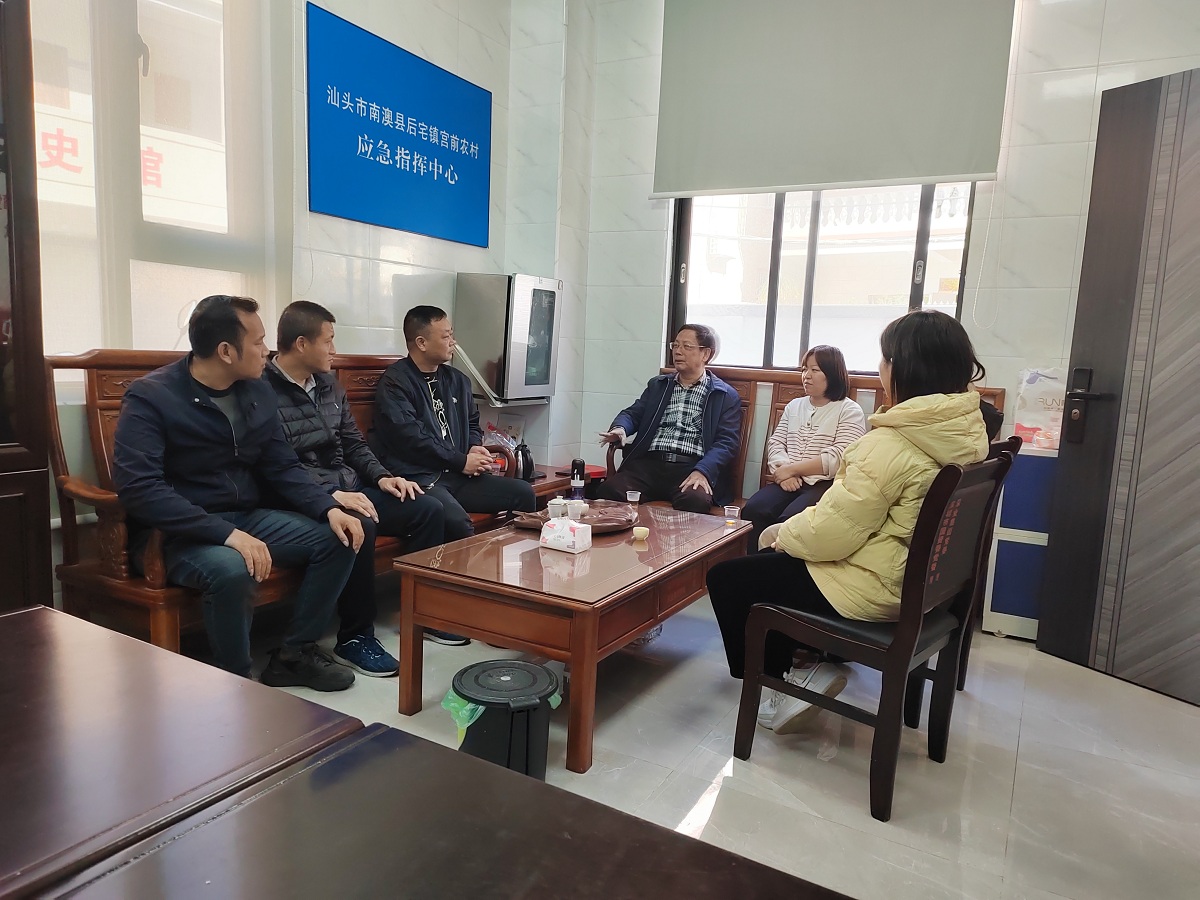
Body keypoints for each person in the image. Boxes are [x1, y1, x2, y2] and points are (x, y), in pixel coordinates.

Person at [705, 310, 989, 735]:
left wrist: (781, 536)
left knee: (729, 577)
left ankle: (781, 685)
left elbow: (830, 534)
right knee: (772, 557)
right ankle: (808, 659)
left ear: (906, 368)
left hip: (877, 586)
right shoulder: (965, 429)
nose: (881, 367)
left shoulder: (891, 442)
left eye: (885, 359)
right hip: (926, 582)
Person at [112, 295, 364, 691]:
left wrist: (328, 507)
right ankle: (237, 685)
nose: (267, 351)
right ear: (226, 351)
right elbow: (140, 488)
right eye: (259, 342)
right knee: (232, 570)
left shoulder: (256, 391)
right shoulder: (152, 396)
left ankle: (294, 655)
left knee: (340, 537)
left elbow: (281, 465)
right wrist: (226, 534)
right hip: (176, 534)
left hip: (245, 517)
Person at [265, 301, 462, 671]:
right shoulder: (262, 391)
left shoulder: (328, 385)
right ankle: (355, 636)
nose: (334, 350)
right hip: (302, 497)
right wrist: (331, 495)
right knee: (362, 524)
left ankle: (422, 613)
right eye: (328, 341)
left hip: (349, 486)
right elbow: (278, 466)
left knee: (426, 507)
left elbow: (354, 444)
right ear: (302, 344)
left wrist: (384, 477)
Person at [369, 305, 536, 543]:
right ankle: (461, 568)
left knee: (524, 493)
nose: (453, 342)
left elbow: (472, 421)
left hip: (457, 474)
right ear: (421, 343)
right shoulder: (396, 382)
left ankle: (508, 559)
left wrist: (474, 446)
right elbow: (411, 437)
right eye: (446, 336)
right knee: (456, 522)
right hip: (420, 477)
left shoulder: (458, 381)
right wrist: (462, 461)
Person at [596, 324, 742, 512]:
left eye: (686, 346)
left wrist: (703, 471)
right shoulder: (659, 385)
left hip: (691, 467)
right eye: (676, 345)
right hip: (649, 464)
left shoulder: (724, 395)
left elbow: (727, 442)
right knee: (609, 490)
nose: (678, 352)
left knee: (695, 500)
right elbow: (633, 413)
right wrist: (621, 428)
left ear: (705, 354)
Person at [741, 345, 867, 550]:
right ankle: (753, 564)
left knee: (792, 520)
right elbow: (776, 443)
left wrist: (793, 469)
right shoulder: (795, 406)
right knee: (755, 509)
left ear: (832, 373)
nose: (806, 376)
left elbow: (840, 458)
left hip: (824, 484)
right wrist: (785, 473)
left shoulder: (849, 409)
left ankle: (778, 569)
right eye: (804, 369)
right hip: (788, 481)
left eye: (814, 370)